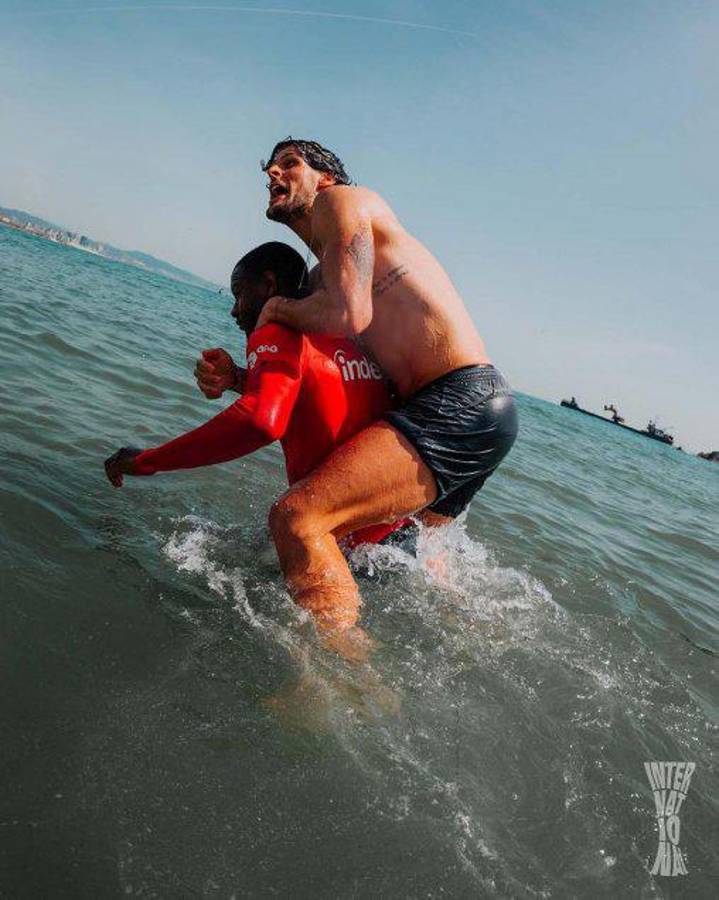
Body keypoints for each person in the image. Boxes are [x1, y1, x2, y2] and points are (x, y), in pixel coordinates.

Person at [218, 137, 518, 631]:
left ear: (326, 178)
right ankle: (474, 628)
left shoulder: (344, 202)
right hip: (473, 409)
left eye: (289, 163)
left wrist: (276, 308)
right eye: (268, 167)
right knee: (395, 558)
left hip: (456, 401)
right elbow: (333, 375)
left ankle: (345, 681)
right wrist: (239, 379)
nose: (273, 171)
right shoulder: (322, 279)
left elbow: (350, 314)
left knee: (298, 519)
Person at [104, 241, 412, 553]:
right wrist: (238, 378)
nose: (234, 308)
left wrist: (147, 461)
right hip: (399, 530)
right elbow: (315, 390)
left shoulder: (276, 330)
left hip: (350, 546)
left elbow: (262, 421)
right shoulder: (343, 336)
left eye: (239, 292)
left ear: (269, 285)